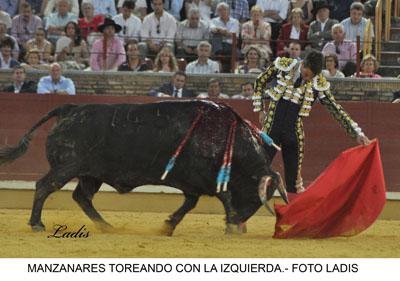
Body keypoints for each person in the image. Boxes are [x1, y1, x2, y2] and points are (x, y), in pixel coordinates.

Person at [252, 50, 370, 200]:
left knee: (293, 182)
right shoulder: (284, 66)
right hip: (271, 129)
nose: (309, 79)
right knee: (257, 170)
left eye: (312, 76)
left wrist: (357, 133)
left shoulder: (318, 82)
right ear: (303, 65)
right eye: (307, 74)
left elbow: (336, 109)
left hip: (293, 133)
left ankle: (292, 220)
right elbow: (260, 81)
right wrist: (260, 109)